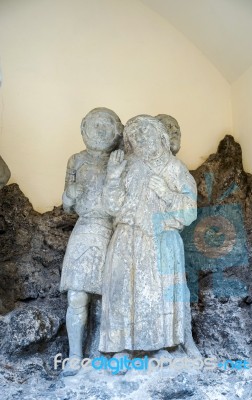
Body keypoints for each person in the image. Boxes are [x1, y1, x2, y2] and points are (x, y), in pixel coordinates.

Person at [99, 115, 201, 357]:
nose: (141, 138)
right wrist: (113, 177)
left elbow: (189, 212)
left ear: (161, 135)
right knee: (122, 291)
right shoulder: (127, 165)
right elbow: (111, 207)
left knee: (157, 292)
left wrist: (166, 192)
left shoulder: (174, 167)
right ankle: (121, 346)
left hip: (163, 238)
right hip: (126, 236)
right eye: (135, 135)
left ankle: (158, 345)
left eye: (145, 132)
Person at [59, 107, 123, 376]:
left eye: (106, 125)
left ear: (117, 131)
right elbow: (67, 208)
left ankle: (117, 350)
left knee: (117, 295)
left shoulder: (120, 159)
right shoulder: (76, 160)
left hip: (113, 230)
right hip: (84, 228)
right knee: (77, 295)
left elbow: (123, 202)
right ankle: (75, 355)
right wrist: (69, 196)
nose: (99, 130)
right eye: (94, 124)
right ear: (83, 128)